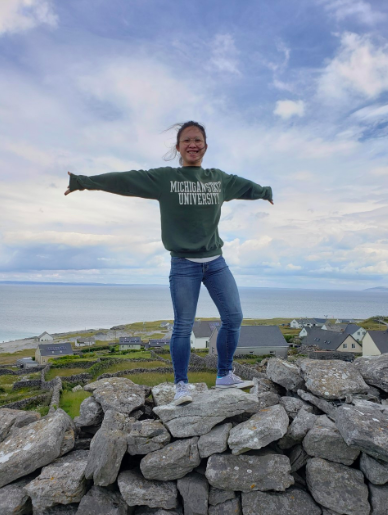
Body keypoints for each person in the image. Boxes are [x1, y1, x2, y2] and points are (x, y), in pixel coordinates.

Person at [65, 121, 273, 405]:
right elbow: (125, 180)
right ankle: (181, 386)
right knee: (183, 327)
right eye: (187, 140)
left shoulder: (218, 179)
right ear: (178, 147)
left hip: (216, 263)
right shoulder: (165, 179)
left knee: (234, 317)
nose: (193, 145)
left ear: (205, 146)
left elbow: (246, 187)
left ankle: (225, 375)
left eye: (198, 140)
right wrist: (84, 182)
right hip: (184, 264)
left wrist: (265, 191)